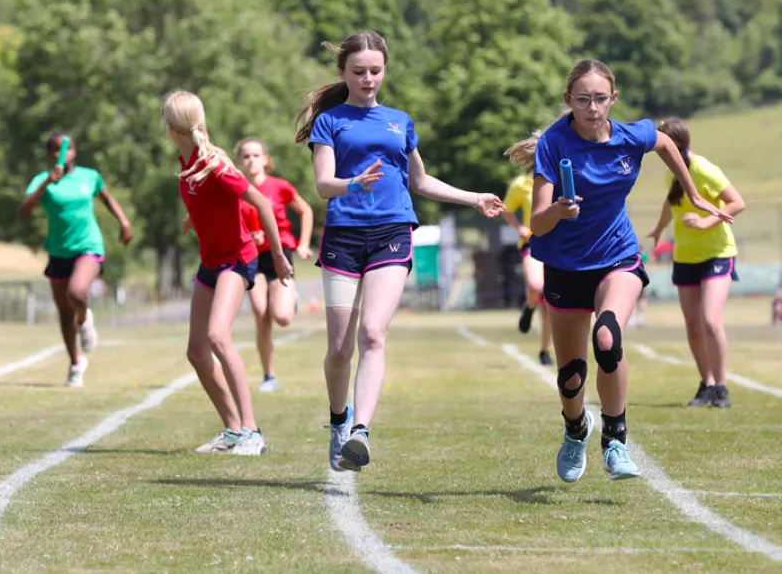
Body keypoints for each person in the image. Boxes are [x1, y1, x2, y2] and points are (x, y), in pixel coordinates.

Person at [506, 59, 731, 484]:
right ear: (568, 100)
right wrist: (558, 209)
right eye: (583, 99)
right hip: (565, 265)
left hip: (616, 257)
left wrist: (693, 192)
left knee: (607, 339)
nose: (592, 108)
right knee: (571, 375)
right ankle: (575, 431)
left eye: (601, 99)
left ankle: (615, 439)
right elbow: (536, 222)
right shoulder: (554, 145)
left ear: (614, 99)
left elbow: (665, 143)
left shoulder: (630, 135)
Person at [296, 31, 504, 472]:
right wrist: (354, 183)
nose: (368, 79)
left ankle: (360, 432)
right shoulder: (329, 123)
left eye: (375, 71)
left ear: (384, 71)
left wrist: (474, 197)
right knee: (338, 348)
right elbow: (322, 185)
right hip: (344, 239)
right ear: (342, 73)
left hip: (392, 232)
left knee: (373, 332)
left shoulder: (399, 121)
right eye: (358, 72)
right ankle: (339, 422)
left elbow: (421, 182)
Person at [166, 90, 294, 456]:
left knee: (218, 337)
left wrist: (281, 256)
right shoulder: (189, 163)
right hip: (211, 261)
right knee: (196, 351)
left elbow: (262, 205)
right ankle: (233, 430)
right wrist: (195, 217)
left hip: (237, 260)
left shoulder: (217, 165)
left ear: (171, 127)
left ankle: (253, 431)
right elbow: (209, 202)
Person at [19, 134, 133, 387]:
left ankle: (84, 319)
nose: (65, 153)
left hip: (88, 247)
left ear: (75, 152)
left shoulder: (89, 176)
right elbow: (24, 210)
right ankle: (75, 363)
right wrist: (47, 182)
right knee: (63, 312)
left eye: (69, 148)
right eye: (59, 149)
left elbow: (108, 199)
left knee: (78, 292)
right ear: (51, 154)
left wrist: (124, 222)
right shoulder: (43, 180)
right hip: (59, 251)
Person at [647, 118, 746, 408]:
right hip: (685, 256)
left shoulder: (703, 169)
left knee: (710, 320)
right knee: (692, 326)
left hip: (717, 253)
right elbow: (671, 202)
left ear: (674, 145)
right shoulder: (672, 172)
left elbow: (737, 202)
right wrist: (659, 229)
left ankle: (721, 387)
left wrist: (706, 221)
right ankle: (707, 384)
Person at [233, 136, 314, 393]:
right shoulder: (236, 190)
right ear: (239, 161)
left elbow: (306, 211)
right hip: (251, 258)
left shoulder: (279, 187)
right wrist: (247, 236)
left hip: (279, 255)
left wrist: (303, 243)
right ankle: (269, 375)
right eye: (245, 156)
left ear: (266, 160)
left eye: (256, 155)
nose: (251, 160)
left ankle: (291, 299)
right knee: (261, 315)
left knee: (281, 317)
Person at [502, 168, 553, 365]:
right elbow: (507, 210)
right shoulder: (522, 184)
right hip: (532, 242)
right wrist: (519, 227)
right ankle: (530, 306)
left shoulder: (560, 176)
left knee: (550, 303)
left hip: (557, 244)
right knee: (535, 285)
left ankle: (545, 350)